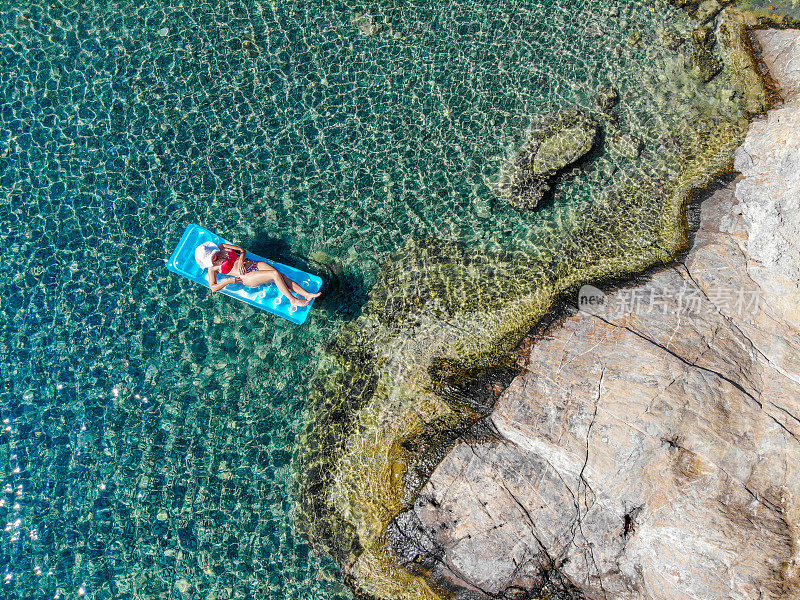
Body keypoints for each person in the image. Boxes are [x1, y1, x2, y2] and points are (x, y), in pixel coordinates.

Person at [194, 241, 320, 308]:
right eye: (211, 260)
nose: (215, 260)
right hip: (246, 277)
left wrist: (241, 261)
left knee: (281, 276)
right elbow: (213, 287)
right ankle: (293, 300)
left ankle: (307, 294)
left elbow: (242, 250)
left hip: (253, 264)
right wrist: (228, 281)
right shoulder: (212, 269)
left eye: (214, 256)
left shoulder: (222, 247)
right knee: (275, 275)